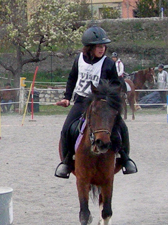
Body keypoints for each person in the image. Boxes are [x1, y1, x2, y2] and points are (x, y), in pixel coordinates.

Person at [54, 25, 137, 179]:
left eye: (104, 46)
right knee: (66, 129)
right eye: (99, 46)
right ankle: (66, 162)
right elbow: (72, 78)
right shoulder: (78, 59)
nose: (102, 49)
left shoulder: (108, 64)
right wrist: (67, 96)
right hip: (81, 100)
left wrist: (114, 94)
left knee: (122, 128)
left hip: (101, 104)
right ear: (90, 47)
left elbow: (115, 84)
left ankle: (125, 158)